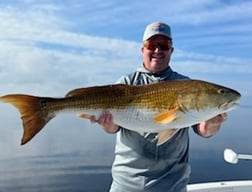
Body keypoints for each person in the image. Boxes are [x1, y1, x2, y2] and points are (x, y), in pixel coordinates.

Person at [89, 22, 227, 192]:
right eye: (151, 45)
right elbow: (113, 128)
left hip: (172, 186)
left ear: (171, 50)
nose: (157, 51)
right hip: (126, 185)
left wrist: (212, 124)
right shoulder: (127, 82)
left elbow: (203, 129)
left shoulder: (185, 85)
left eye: (164, 45)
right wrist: (108, 125)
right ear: (142, 49)